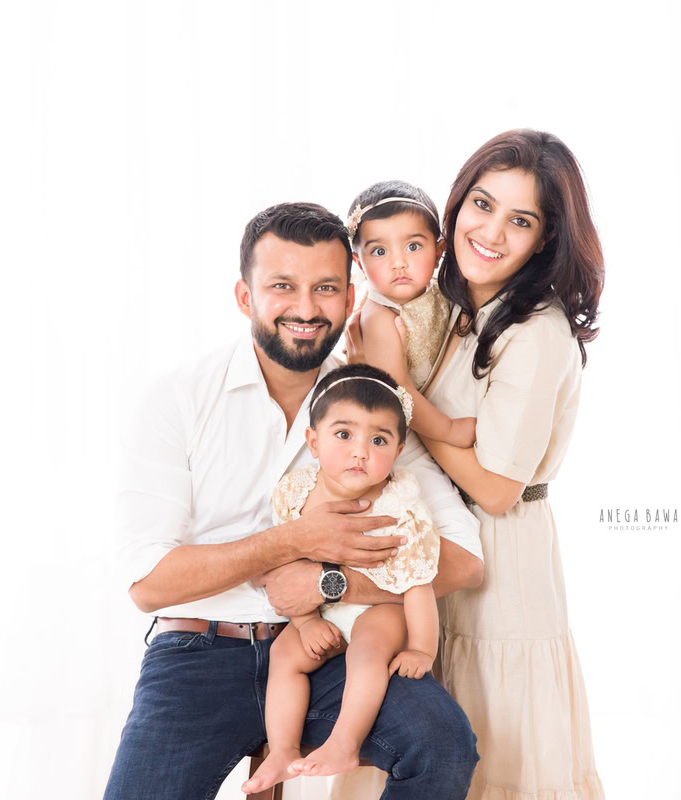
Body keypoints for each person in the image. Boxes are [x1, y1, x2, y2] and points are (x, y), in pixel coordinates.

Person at [102, 202, 483, 800]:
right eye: (283, 287)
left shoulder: (370, 405)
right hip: (198, 651)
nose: (306, 310)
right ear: (244, 296)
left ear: (351, 297)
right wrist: (294, 542)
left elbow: (465, 558)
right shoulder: (178, 398)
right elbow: (148, 582)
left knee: (441, 741)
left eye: (326, 288)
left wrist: (330, 585)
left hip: (330, 649)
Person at [343, 129, 607, 799]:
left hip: (501, 569)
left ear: (545, 238)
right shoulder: (453, 309)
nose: (490, 231)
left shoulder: (537, 331)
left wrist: (400, 402)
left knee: (498, 760)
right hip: (435, 545)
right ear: (454, 208)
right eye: (481, 206)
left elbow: (494, 488)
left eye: (520, 220)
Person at [241, 363, 442, 794]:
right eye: (344, 434)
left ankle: (344, 743)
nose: (360, 452)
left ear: (399, 448)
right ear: (313, 442)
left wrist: (422, 648)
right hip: (320, 612)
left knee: (367, 652)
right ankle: (282, 749)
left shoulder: (401, 504)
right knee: (285, 657)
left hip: (379, 609)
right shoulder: (295, 492)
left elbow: (418, 582)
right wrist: (306, 623)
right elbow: (281, 568)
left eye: (379, 440)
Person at [344, 180, 475, 448]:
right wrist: (449, 430)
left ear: (439, 251)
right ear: (359, 262)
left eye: (413, 246)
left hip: (440, 402)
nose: (399, 263)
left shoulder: (438, 287)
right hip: (408, 427)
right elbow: (398, 392)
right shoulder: (380, 318)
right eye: (380, 251)